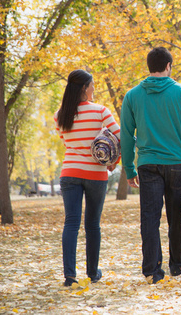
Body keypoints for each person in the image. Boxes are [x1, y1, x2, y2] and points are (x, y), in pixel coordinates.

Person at [120, 47, 181, 284]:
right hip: (177, 163)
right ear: (169, 66)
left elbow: (127, 136)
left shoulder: (132, 96)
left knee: (149, 218)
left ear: (149, 66)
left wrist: (129, 169)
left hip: (148, 165)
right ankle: (178, 264)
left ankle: (152, 270)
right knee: (176, 215)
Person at [55, 69, 121, 287]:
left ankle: (69, 276)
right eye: (92, 85)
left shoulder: (60, 115)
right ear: (84, 88)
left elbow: (67, 144)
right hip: (95, 173)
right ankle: (93, 273)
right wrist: (114, 160)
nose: (94, 88)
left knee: (71, 223)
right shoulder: (101, 111)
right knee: (92, 224)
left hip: (69, 172)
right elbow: (119, 138)